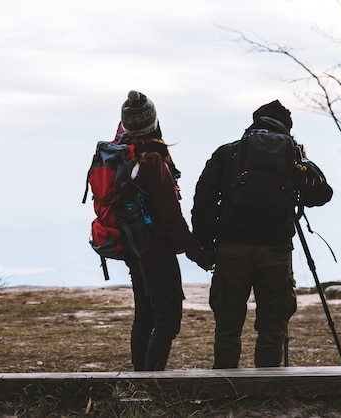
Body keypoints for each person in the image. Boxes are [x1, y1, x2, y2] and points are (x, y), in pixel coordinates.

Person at [191, 100, 333, 368]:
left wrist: (206, 245)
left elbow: (203, 200)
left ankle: (225, 388)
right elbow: (322, 195)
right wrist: (303, 162)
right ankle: (267, 391)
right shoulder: (291, 157)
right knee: (272, 327)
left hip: (232, 247)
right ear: (287, 130)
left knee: (228, 326)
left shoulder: (229, 153)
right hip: (276, 248)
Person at [115, 90, 213, 371]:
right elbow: (171, 219)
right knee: (167, 321)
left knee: (144, 316)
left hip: (134, 250)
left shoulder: (123, 155)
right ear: (153, 123)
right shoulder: (152, 162)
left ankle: (139, 383)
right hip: (156, 253)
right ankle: (150, 384)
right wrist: (200, 253)